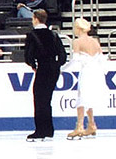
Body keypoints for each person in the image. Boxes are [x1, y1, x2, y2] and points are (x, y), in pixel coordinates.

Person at [24, 9, 67, 141]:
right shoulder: (53, 34)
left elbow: (28, 56)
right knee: (46, 100)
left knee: (39, 99)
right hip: (53, 69)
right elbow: (63, 55)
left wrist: (33, 66)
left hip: (42, 68)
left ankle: (41, 130)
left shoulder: (32, 35)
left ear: (36, 18)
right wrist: (56, 65)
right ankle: (49, 129)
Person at [65, 18, 105, 139]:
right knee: (88, 98)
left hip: (87, 71)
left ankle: (80, 126)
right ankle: (91, 124)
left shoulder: (77, 42)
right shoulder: (94, 41)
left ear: (78, 28)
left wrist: (62, 68)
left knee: (82, 97)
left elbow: (76, 59)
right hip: (96, 71)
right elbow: (101, 58)